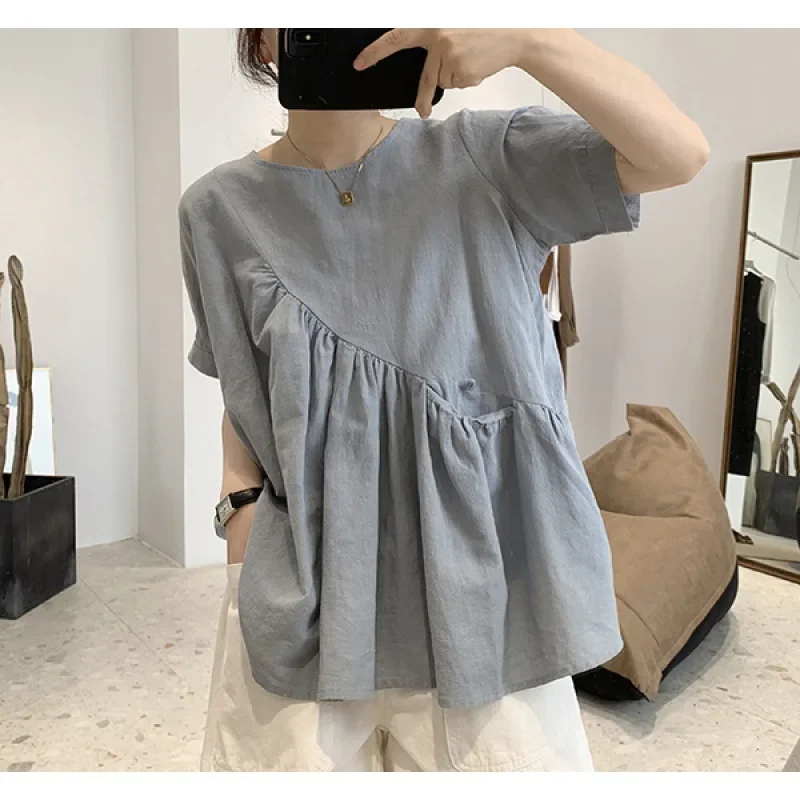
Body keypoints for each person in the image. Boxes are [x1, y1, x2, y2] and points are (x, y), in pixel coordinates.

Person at [180, 28, 709, 772]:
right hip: (307, 593)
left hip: (487, 594)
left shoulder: (487, 158)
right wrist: (237, 509)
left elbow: (678, 153)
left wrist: (527, 39)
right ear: (261, 42)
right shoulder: (215, 210)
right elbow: (242, 385)